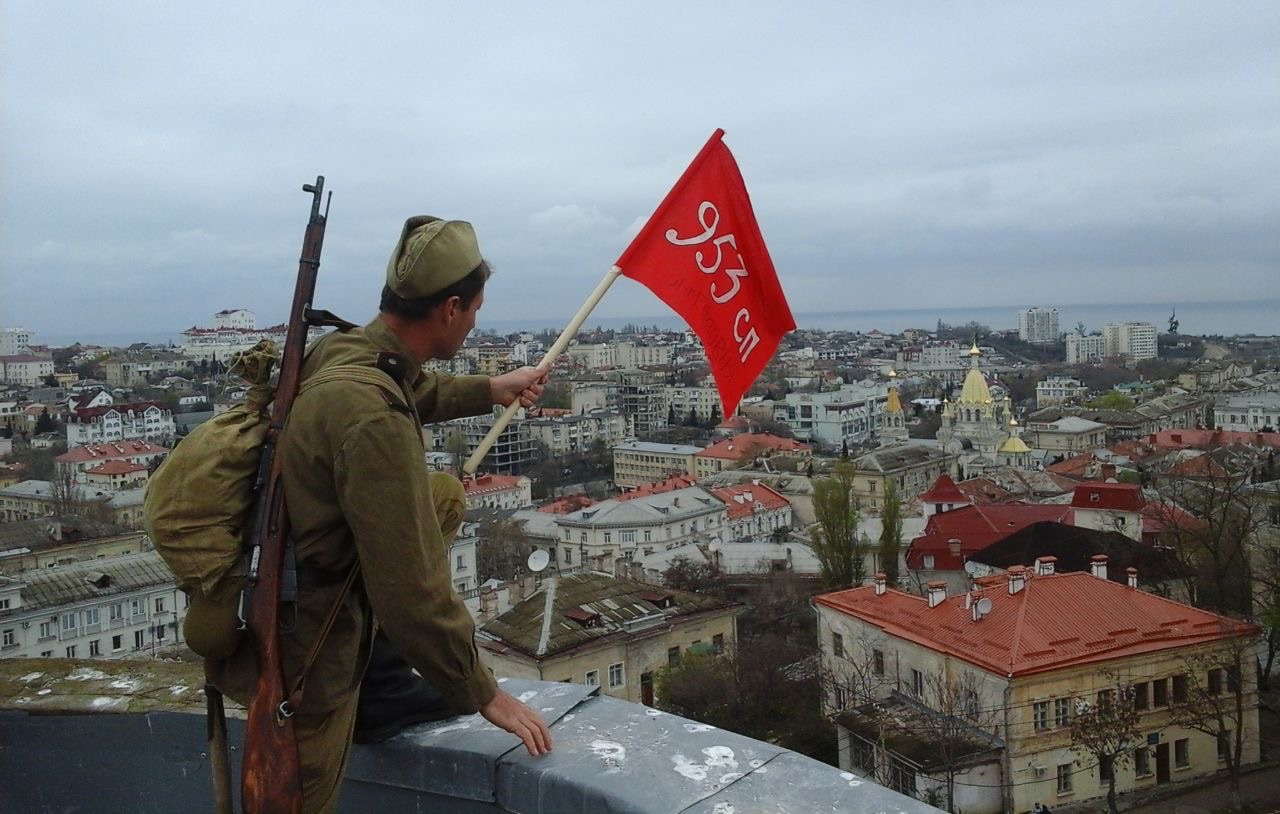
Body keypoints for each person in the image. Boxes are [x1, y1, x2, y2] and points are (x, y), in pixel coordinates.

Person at [211, 215, 552, 812]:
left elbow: (412, 387)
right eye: (474, 309)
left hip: (295, 574)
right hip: (309, 640)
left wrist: (492, 387)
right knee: (293, 796)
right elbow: (411, 587)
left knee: (441, 495)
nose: (476, 322)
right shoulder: (374, 422)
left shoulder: (346, 352)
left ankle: (380, 682)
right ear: (449, 308)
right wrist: (481, 692)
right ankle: (370, 688)